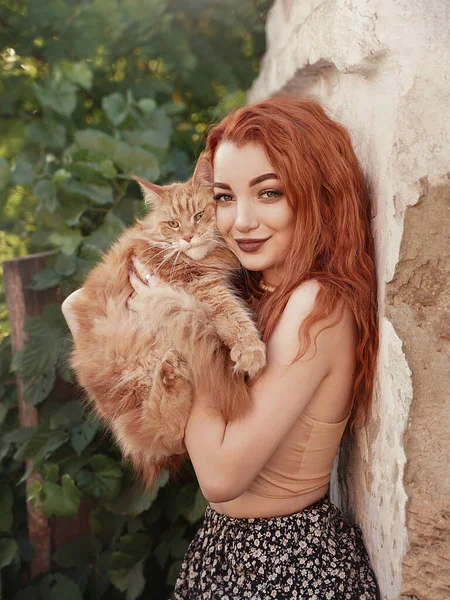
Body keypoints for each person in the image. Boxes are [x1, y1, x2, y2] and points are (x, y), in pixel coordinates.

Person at [62, 95, 380, 599]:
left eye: (269, 193)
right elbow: (168, 438)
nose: (241, 222)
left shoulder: (318, 307)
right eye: (226, 198)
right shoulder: (260, 289)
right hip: (225, 548)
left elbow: (220, 472)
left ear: (317, 193)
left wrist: (174, 320)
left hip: (287, 562)